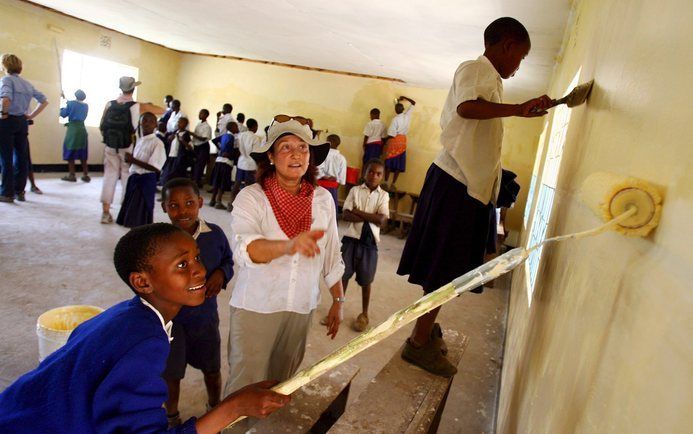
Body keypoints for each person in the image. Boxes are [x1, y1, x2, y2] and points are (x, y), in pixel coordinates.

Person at [0, 223, 289, 433]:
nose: (199, 269)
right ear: (142, 282)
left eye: (197, 257)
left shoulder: (125, 314)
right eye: (181, 265)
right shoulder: (146, 342)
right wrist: (234, 407)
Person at [396, 17, 552, 377]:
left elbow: (476, 133)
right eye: (521, 57)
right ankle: (419, 343)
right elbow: (467, 107)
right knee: (443, 269)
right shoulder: (475, 69)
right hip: (456, 184)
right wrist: (516, 109)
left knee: (449, 267)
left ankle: (423, 329)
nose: (519, 64)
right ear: (508, 45)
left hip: (465, 185)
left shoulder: (491, 81)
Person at [224, 115, 345, 430]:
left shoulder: (322, 200)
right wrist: (289, 245)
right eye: (286, 147)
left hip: (300, 307)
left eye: (302, 148)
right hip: (257, 306)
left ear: (310, 156)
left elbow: (331, 251)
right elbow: (247, 250)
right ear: (271, 156)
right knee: (245, 388)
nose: (295, 155)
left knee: (281, 386)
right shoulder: (252, 198)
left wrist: (338, 299)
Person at [160, 178, 234, 428]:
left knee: (212, 368)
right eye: (174, 206)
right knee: (171, 373)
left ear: (200, 203)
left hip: (205, 318)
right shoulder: (160, 242)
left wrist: (221, 274)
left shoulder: (215, 235)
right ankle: (171, 416)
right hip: (172, 321)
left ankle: (215, 406)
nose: (182, 211)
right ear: (164, 208)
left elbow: (228, 260)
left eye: (189, 203)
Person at [98, 76, 164, 223]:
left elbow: (102, 125)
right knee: (127, 176)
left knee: (109, 176)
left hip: (110, 145)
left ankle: (105, 213)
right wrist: (147, 105)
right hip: (128, 147)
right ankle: (126, 210)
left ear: (120, 88)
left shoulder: (110, 104)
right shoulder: (136, 106)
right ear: (133, 88)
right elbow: (163, 110)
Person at [340, 158, 389, 331]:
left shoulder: (383, 196)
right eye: (370, 172)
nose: (374, 176)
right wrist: (371, 216)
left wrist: (357, 212)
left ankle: (364, 314)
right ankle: (337, 309)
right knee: (343, 276)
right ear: (364, 173)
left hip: (369, 244)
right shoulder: (354, 190)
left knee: (366, 280)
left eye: (378, 174)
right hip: (351, 240)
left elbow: (382, 220)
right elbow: (345, 215)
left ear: (382, 177)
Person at [0, 53, 48, 203]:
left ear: (4, 66)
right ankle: (20, 191)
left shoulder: (6, 80)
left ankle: (7, 193)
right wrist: (31, 116)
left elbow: (5, 99)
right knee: (21, 157)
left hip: (8, 121)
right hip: (22, 122)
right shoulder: (27, 84)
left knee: (5, 157)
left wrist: (3, 114)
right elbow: (44, 101)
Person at [116, 112, 166, 228]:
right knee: (131, 212)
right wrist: (131, 161)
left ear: (156, 125)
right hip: (134, 178)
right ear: (140, 123)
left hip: (145, 180)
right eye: (144, 121)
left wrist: (133, 160)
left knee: (140, 214)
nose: (147, 123)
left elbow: (155, 168)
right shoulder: (140, 140)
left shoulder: (157, 143)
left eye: (151, 121)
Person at [383, 96, 416, 188]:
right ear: (403, 109)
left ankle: (385, 182)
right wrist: (405, 98)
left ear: (395, 110)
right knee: (398, 164)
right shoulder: (407, 116)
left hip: (394, 141)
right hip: (403, 142)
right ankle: (393, 184)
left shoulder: (395, 119)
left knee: (389, 162)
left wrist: (384, 140)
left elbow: (391, 134)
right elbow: (413, 102)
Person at [227, 118, 259, 211]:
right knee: (249, 186)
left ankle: (230, 203)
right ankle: (245, 207)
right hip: (251, 164)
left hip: (241, 162)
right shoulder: (255, 138)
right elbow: (255, 152)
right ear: (254, 127)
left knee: (237, 184)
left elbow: (236, 148)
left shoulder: (240, 135)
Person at [59, 89, 90, 182]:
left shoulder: (71, 104)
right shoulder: (85, 106)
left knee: (70, 152)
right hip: (82, 129)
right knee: (82, 153)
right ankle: (86, 175)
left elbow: (63, 114)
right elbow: (75, 106)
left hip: (73, 130)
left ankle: (72, 175)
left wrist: (62, 107)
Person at [209, 122, 238, 209]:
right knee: (222, 183)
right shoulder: (232, 137)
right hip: (226, 162)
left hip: (219, 160)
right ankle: (218, 201)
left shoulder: (224, 135)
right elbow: (230, 150)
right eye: (236, 127)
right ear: (232, 128)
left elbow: (214, 141)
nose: (237, 128)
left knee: (217, 182)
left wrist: (220, 149)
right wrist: (229, 154)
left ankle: (212, 200)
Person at [316, 134, 347, 213]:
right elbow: (341, 179)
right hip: (333, 187)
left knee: (318, 209)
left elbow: (317, 171)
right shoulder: (342, 159)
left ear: (328, 142)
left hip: (320, 185)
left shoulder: (322, 155)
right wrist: (334, 187)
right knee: (331, 210)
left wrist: (324, 177)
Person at [165, 117, 194, 182]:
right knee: (168, 173)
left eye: (181, 122)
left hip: (180, 157)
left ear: (185, 124)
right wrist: (169, 139)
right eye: (178, 122)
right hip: (171, 155)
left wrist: (183, 141)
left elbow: (190, 148)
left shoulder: (186, 135)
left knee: (177, 174)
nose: (178, 123)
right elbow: (168, 143)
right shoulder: (174, 132)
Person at [191, 109, 212, 187]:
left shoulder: (207, 126)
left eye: (201, 114)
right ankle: (195, 180)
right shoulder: (198, 124)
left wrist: (192, 134)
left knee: (200, 165)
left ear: (206, 115)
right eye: (199, 113)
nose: (199, 115)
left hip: (203, 146)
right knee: (195, 164)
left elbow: (203, 138)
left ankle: (197, 181)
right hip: (196, 146)